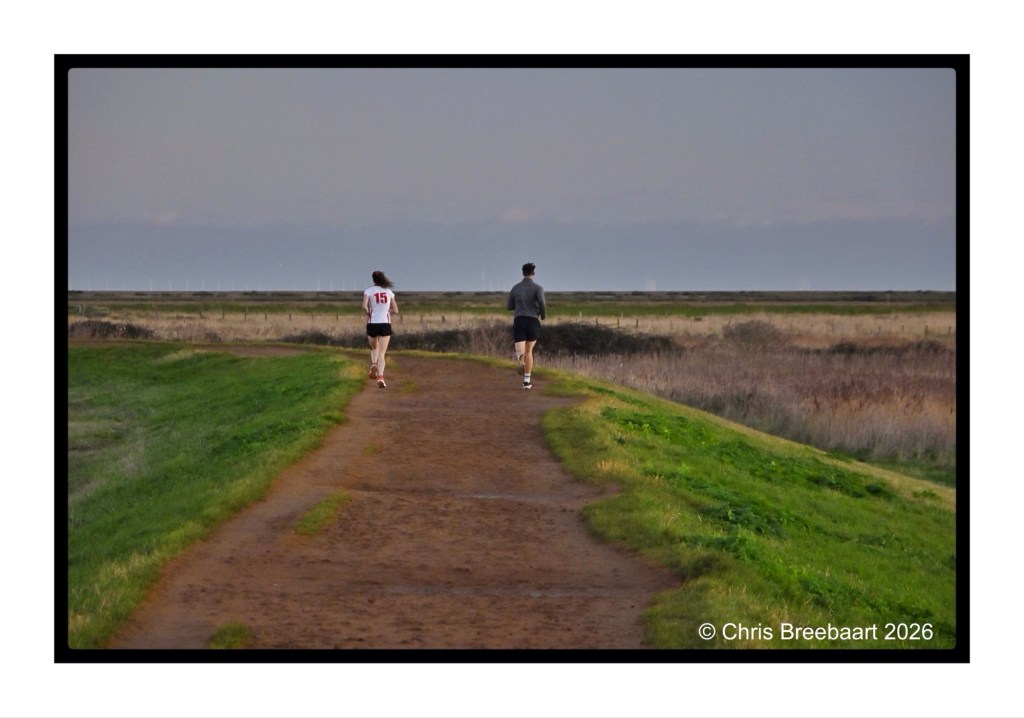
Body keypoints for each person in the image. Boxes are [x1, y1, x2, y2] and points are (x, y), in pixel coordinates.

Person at [506, 262, 546, 390]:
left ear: (522, 273)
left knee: (520, 351)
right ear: (533, 273)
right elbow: (542, 302)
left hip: (519, 320)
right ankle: (527, 381)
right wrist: (543, 315)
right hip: (533, 320)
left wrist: (519, 305)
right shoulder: (538, 288)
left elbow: (509, 306)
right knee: (529, 351)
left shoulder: (516, 288)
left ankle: (520, 360)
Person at [362, 270, 399, 388]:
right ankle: (381, 377)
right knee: (382, 353)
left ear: (373, 280)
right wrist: (387, 312)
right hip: (385, 323)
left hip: (372, 323)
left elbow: (364, 306)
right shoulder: (389, 292)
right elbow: (396, 310)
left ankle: (373, 364)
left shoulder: (368, 291)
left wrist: (369, 313)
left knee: (374, 348)